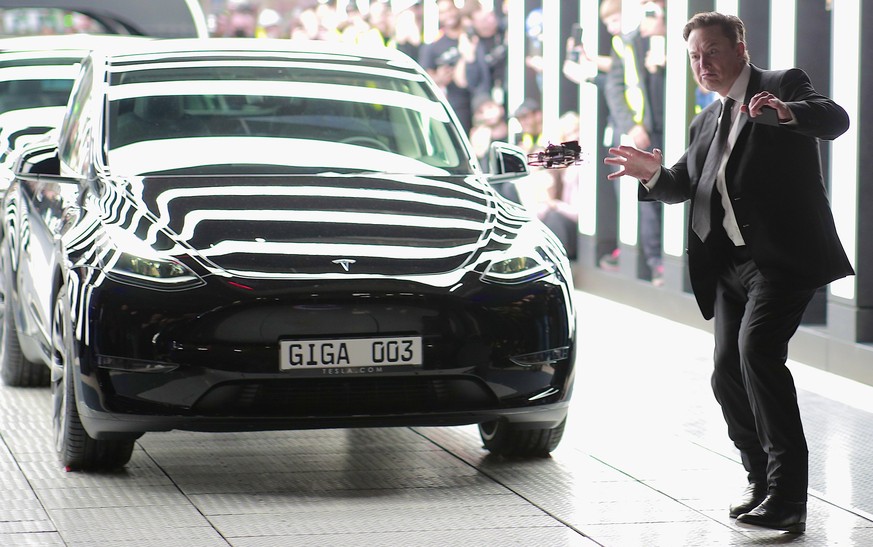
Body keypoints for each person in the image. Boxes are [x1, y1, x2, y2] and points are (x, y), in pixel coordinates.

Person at [604, 12, 852, 533]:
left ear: (740, 47)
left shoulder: (779, 86)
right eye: (695, 55)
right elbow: (685, 187)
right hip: (730, 266)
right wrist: (653, 176)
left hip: (781, 259)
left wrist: (784, 112)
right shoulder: (706, 121)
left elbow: (833, 119)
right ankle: (760, 480)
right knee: (725, 372)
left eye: (712, 51)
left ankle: (789, 498)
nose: (703, 63)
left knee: (757, 353)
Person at [604, 0, 667, 285]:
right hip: (644, 132)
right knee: (649, 198)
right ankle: (656, 264)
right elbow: (614, 87)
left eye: (655, 6)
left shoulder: (683, 37)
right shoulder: (626, 42)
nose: (649, 10)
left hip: (678, 128)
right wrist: (631, 125)